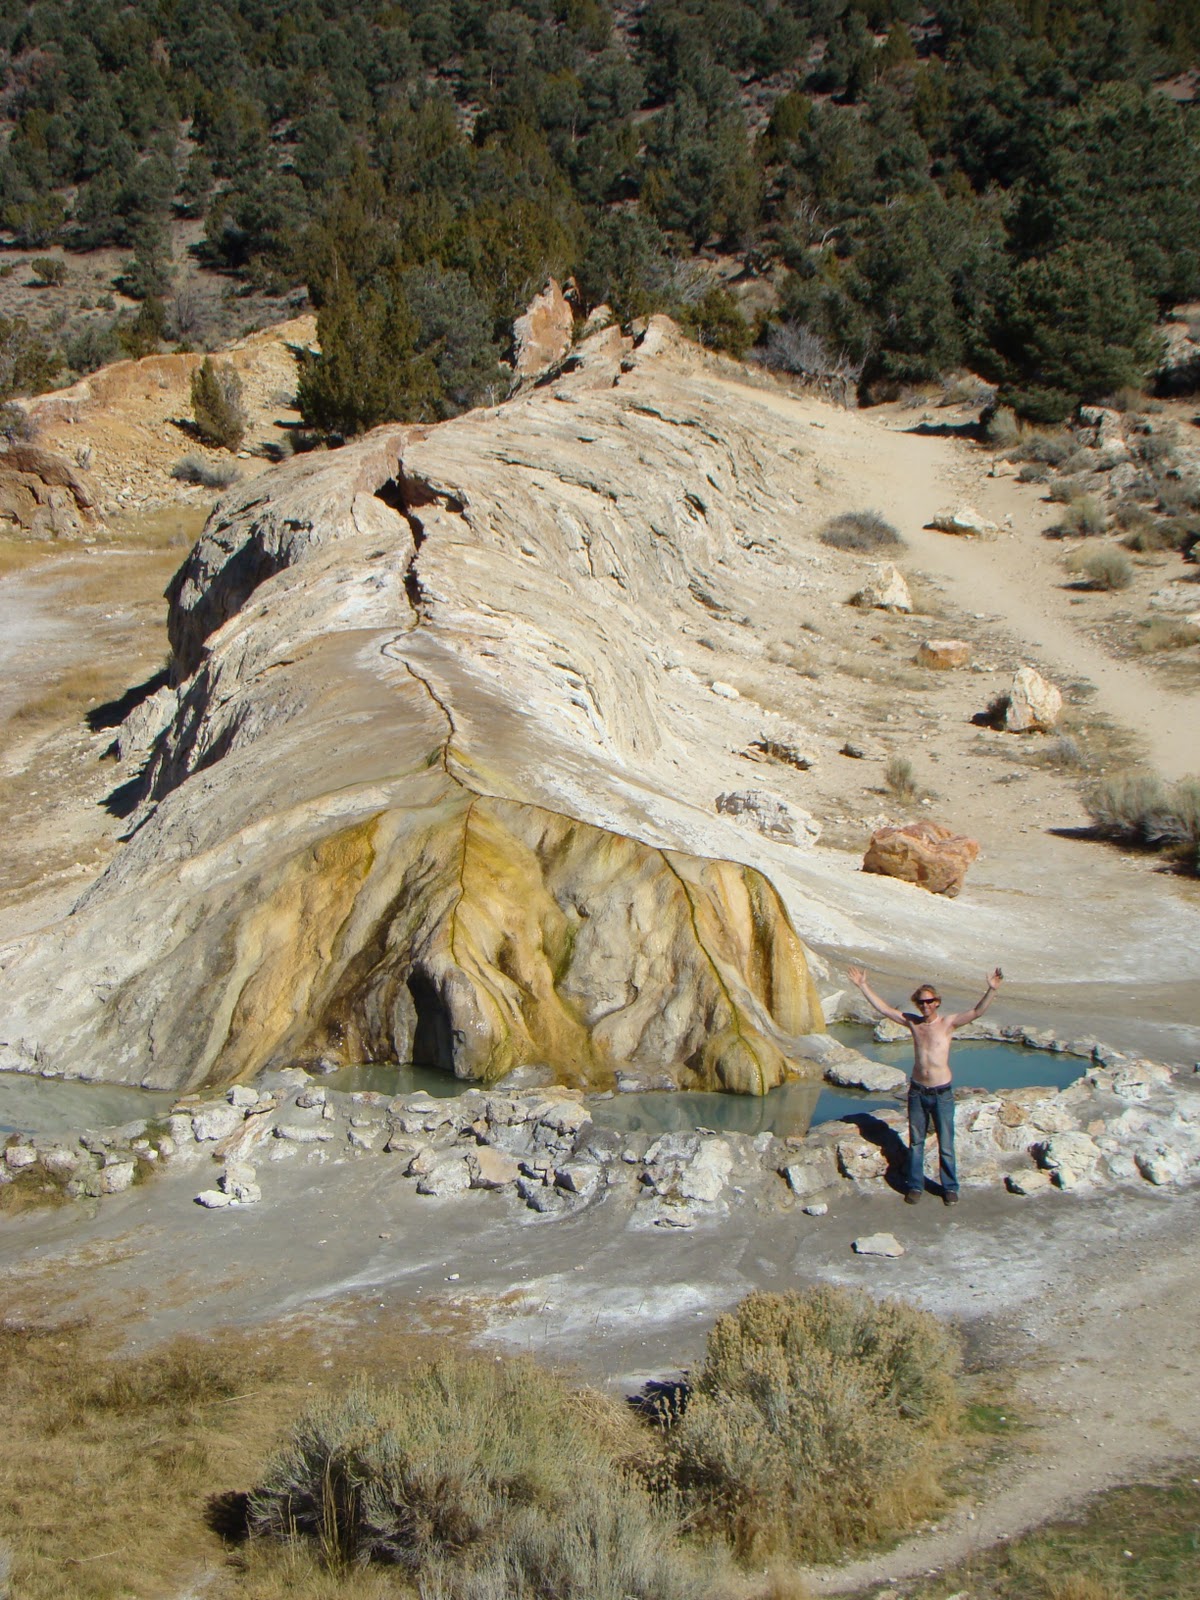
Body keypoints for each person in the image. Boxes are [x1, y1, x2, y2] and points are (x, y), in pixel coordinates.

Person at [846, 965, 1003, 1206]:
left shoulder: (948, 1023)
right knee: (916, 1143)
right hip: (918, 1092)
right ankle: (915, 1186)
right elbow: (885, 1009)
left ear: (937, 1002)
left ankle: (950, 1187)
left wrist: (991, 990)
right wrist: (863, 986)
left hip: (942, 1093)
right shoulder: (914, 1024)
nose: (925, 1006)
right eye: (921, 1002)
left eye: (929, 1001)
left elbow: (976, 1012)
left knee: (946, 1143)